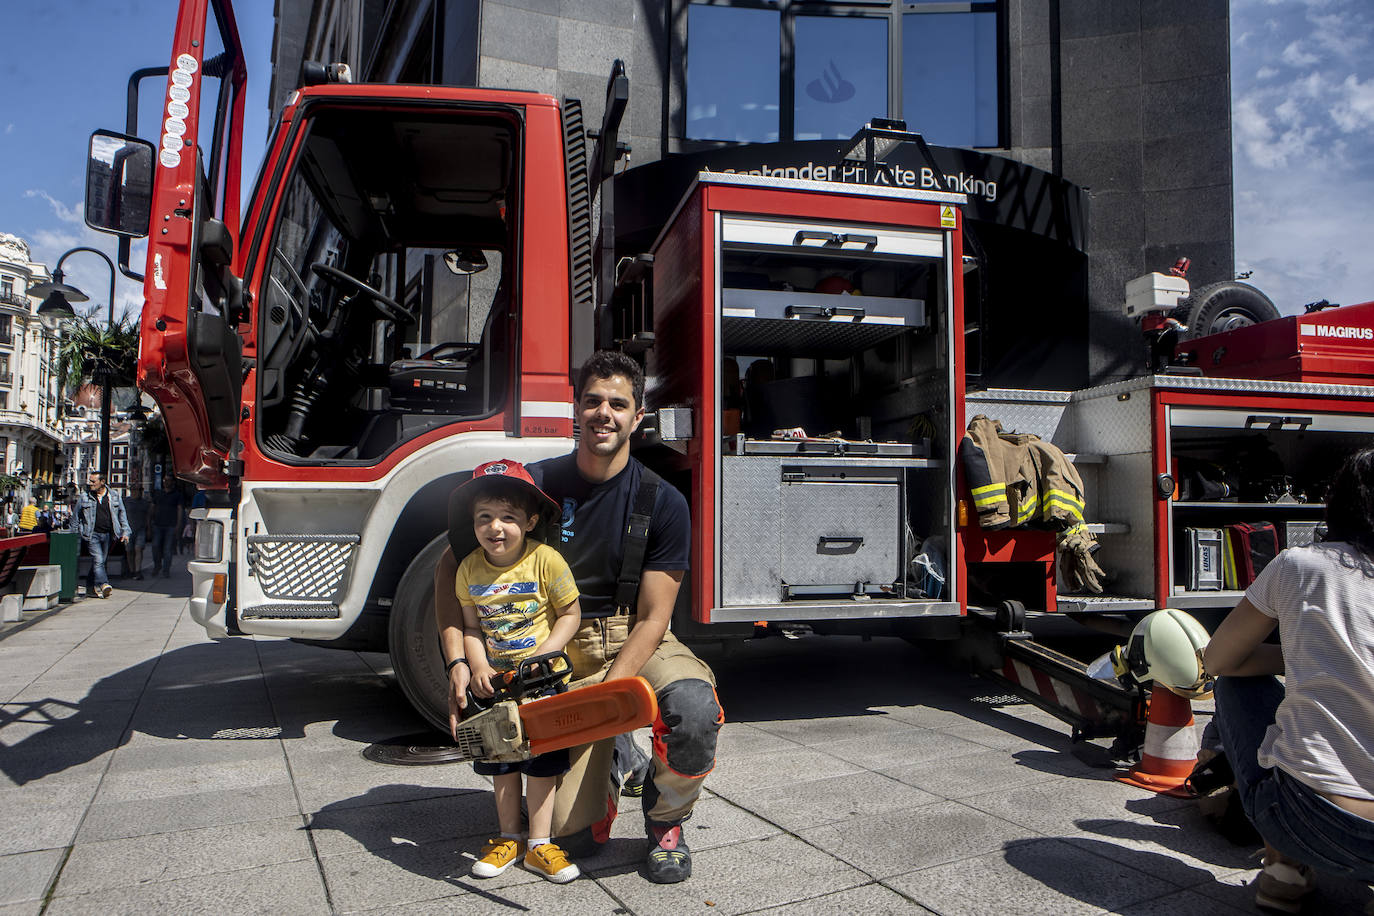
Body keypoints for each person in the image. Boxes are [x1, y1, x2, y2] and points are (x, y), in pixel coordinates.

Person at [437, 350, 722, 884]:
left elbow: (654, 618)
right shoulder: (531, 487)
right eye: (592, 400)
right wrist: (456, 661)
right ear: (575, 408)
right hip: (552, 650)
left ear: (638, 418)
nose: (603, 413)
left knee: (693, 708)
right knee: (571, 840)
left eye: (618, 403)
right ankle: (617, 760)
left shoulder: (661, 501)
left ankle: (667, 824)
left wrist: (610, 699)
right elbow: (451, 569)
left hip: (633, 638)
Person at [1204, 447, 1374, 914]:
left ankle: (1284, 870)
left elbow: (1218, 659)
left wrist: (1301, 658)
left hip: (1314, 821)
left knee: (1237, 682)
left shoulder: (1302, 564)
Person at [439, 459, 584, 883]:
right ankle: (508, 837)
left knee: (542, 762)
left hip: (542, 682)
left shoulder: (547, 561)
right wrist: (476, 663)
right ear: (473, 522)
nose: (495, 527)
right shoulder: (468, 569)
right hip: (495, 684)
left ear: (530, 520)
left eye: (508, 517)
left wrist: (546, 653)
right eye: (484, 517)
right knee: (501, 762)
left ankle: (540, 844)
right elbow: (470, 626)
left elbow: (570, 614)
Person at [76, 471, 132, 599]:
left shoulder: (114, 496)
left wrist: (126, 532)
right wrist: (78, 532)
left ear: (102, 482)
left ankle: (90, 588)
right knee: (99, 560)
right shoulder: (85, 496)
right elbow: (76, 517)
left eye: (93, 481)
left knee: (100, 562)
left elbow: (122, 515)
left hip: (107, 534)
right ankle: (103, 584)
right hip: (92, 534)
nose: (90, 484)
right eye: (90, 481)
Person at [149, 476, 184, 577]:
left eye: (168, 480)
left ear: (173, 482)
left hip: (171, 525)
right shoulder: (158, 493)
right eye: (165, 480)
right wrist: (149, 521)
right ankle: (157, 565)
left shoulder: (177, 495)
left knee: (167, 549)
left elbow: (180, 509)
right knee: (155, 546)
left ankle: (166, 570)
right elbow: (152, 507)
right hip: (157, 524)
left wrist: (178, 524)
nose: (166, 482)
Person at [122, 485, 151, 580]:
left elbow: (148, 516)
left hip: (141, 529)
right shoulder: (126, 501)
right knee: (129, 551)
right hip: (128, 530)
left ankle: (138, 570)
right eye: (133, 490)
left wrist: (148, 528)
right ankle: (131, 570)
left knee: (138, 549)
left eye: (138, 490)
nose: (135, 492)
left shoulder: (144, 503)